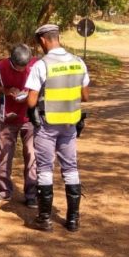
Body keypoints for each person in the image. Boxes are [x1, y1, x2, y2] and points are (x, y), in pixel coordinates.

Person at [25, 23, 89, 232]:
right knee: (70, 168)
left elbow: (31, 100)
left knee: (44, 169)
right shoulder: (78, 62)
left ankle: (44, 219)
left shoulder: (42, 65)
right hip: (70, 125)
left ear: (43, 40)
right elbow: (85, 96)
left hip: (47, 124)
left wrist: (35, 110)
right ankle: (72, 220)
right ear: (57, 37)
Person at [0, 44, 38, 207]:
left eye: (24, 66)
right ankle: (4, 191)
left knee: (32, 154)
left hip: (29, 117)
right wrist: (5, 91)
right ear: (11, 60)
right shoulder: (0, 67)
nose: (22, 70)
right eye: (18, 67)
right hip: (7, 116)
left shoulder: (36, 65)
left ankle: (31, 195)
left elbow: (43, 85)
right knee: (4, 154)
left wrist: (32, 94)